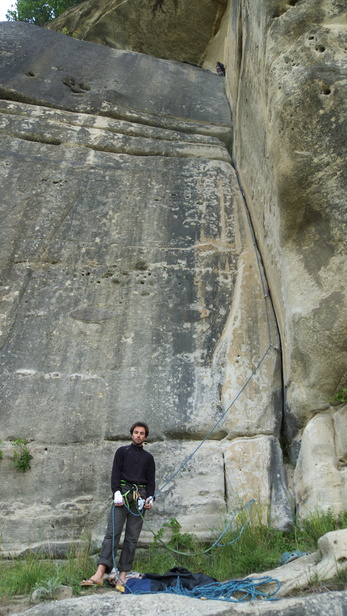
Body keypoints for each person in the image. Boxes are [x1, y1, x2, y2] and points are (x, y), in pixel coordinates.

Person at [81, 421, 155, 587]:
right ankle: (100, 573)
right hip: (122, 494)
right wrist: (116, 492)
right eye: (136, 432)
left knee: (132, 538)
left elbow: (151, 482)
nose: (138, 435)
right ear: (131, 434)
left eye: (142, 433)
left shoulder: (148, 458)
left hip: (139, 498)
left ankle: (122, 575)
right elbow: (115, 474)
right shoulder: (122, 452)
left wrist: (151, 498)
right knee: (112, 533)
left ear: (145, 437)